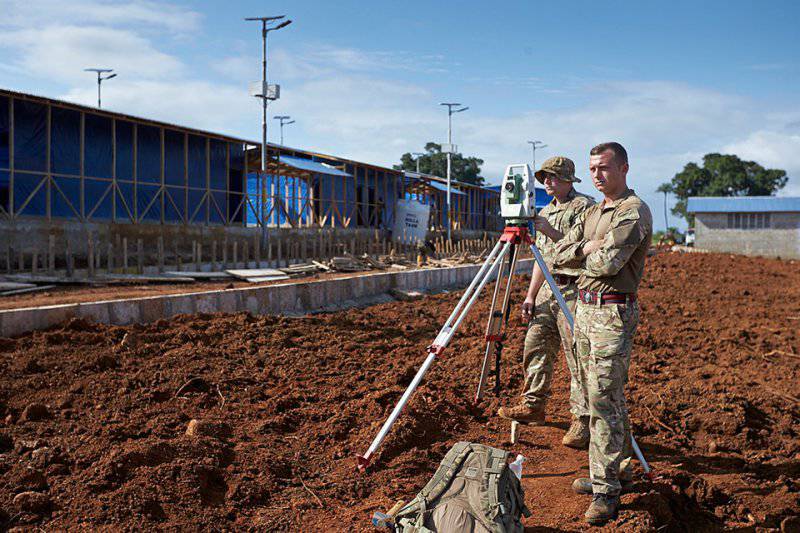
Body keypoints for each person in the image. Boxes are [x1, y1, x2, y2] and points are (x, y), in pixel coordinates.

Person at [552, 142, 652, 525]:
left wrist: (584, 251)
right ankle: (616, 469)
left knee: (602, 400)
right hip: (586, 308)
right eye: (592, 168)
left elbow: (609, 262)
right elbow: (558, 254)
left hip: (612, 311)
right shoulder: (596, 211)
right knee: (602, 395)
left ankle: (606, 490)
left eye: (604, 168)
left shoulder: (632, 210)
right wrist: (586, 247)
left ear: (624, 168)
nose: (596, 174)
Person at [497, 156, 595, 451]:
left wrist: (550, 230)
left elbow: (584, 249)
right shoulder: (544, 210)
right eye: (544, 178)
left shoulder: (585, 208)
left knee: (577, 356)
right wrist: (530, 294)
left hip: (572, 290)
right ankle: (533, 405)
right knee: (535, 347)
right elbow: (543, 257)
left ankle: (583, 418)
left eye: (553, 177)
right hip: (547, 293)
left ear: (567, 179)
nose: (547, 183)